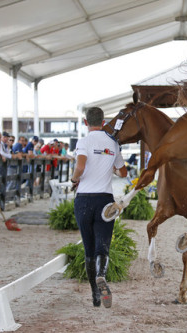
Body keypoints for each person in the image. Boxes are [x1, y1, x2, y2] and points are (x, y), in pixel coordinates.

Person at [71, 106, 127, 308]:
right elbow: (123, 173)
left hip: (84, 199)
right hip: (105, 199)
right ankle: (102, 275)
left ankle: (95, 295)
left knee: (89, 248)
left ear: (86, 122)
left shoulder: (84, 142)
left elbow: (80, 166)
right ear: (103, 122)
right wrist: (109, 164)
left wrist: (74, 179)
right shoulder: (112, 143)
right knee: (102, 246)